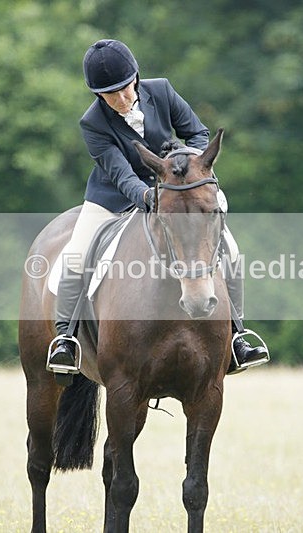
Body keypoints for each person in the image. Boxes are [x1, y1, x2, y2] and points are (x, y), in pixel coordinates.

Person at [47, 39, 268, 375]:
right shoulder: (92, 122)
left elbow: (198, 133)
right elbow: (120, 173)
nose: (122, 99)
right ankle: (66, 340)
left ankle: (238, 335)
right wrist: (149, 197)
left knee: (232, 250)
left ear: (135, 78)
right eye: (110, 95)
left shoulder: (161, 91)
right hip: (114, 196)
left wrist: (184, 164)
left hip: (178, 188)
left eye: (125, 89)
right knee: (75, 254)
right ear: (97, 95)